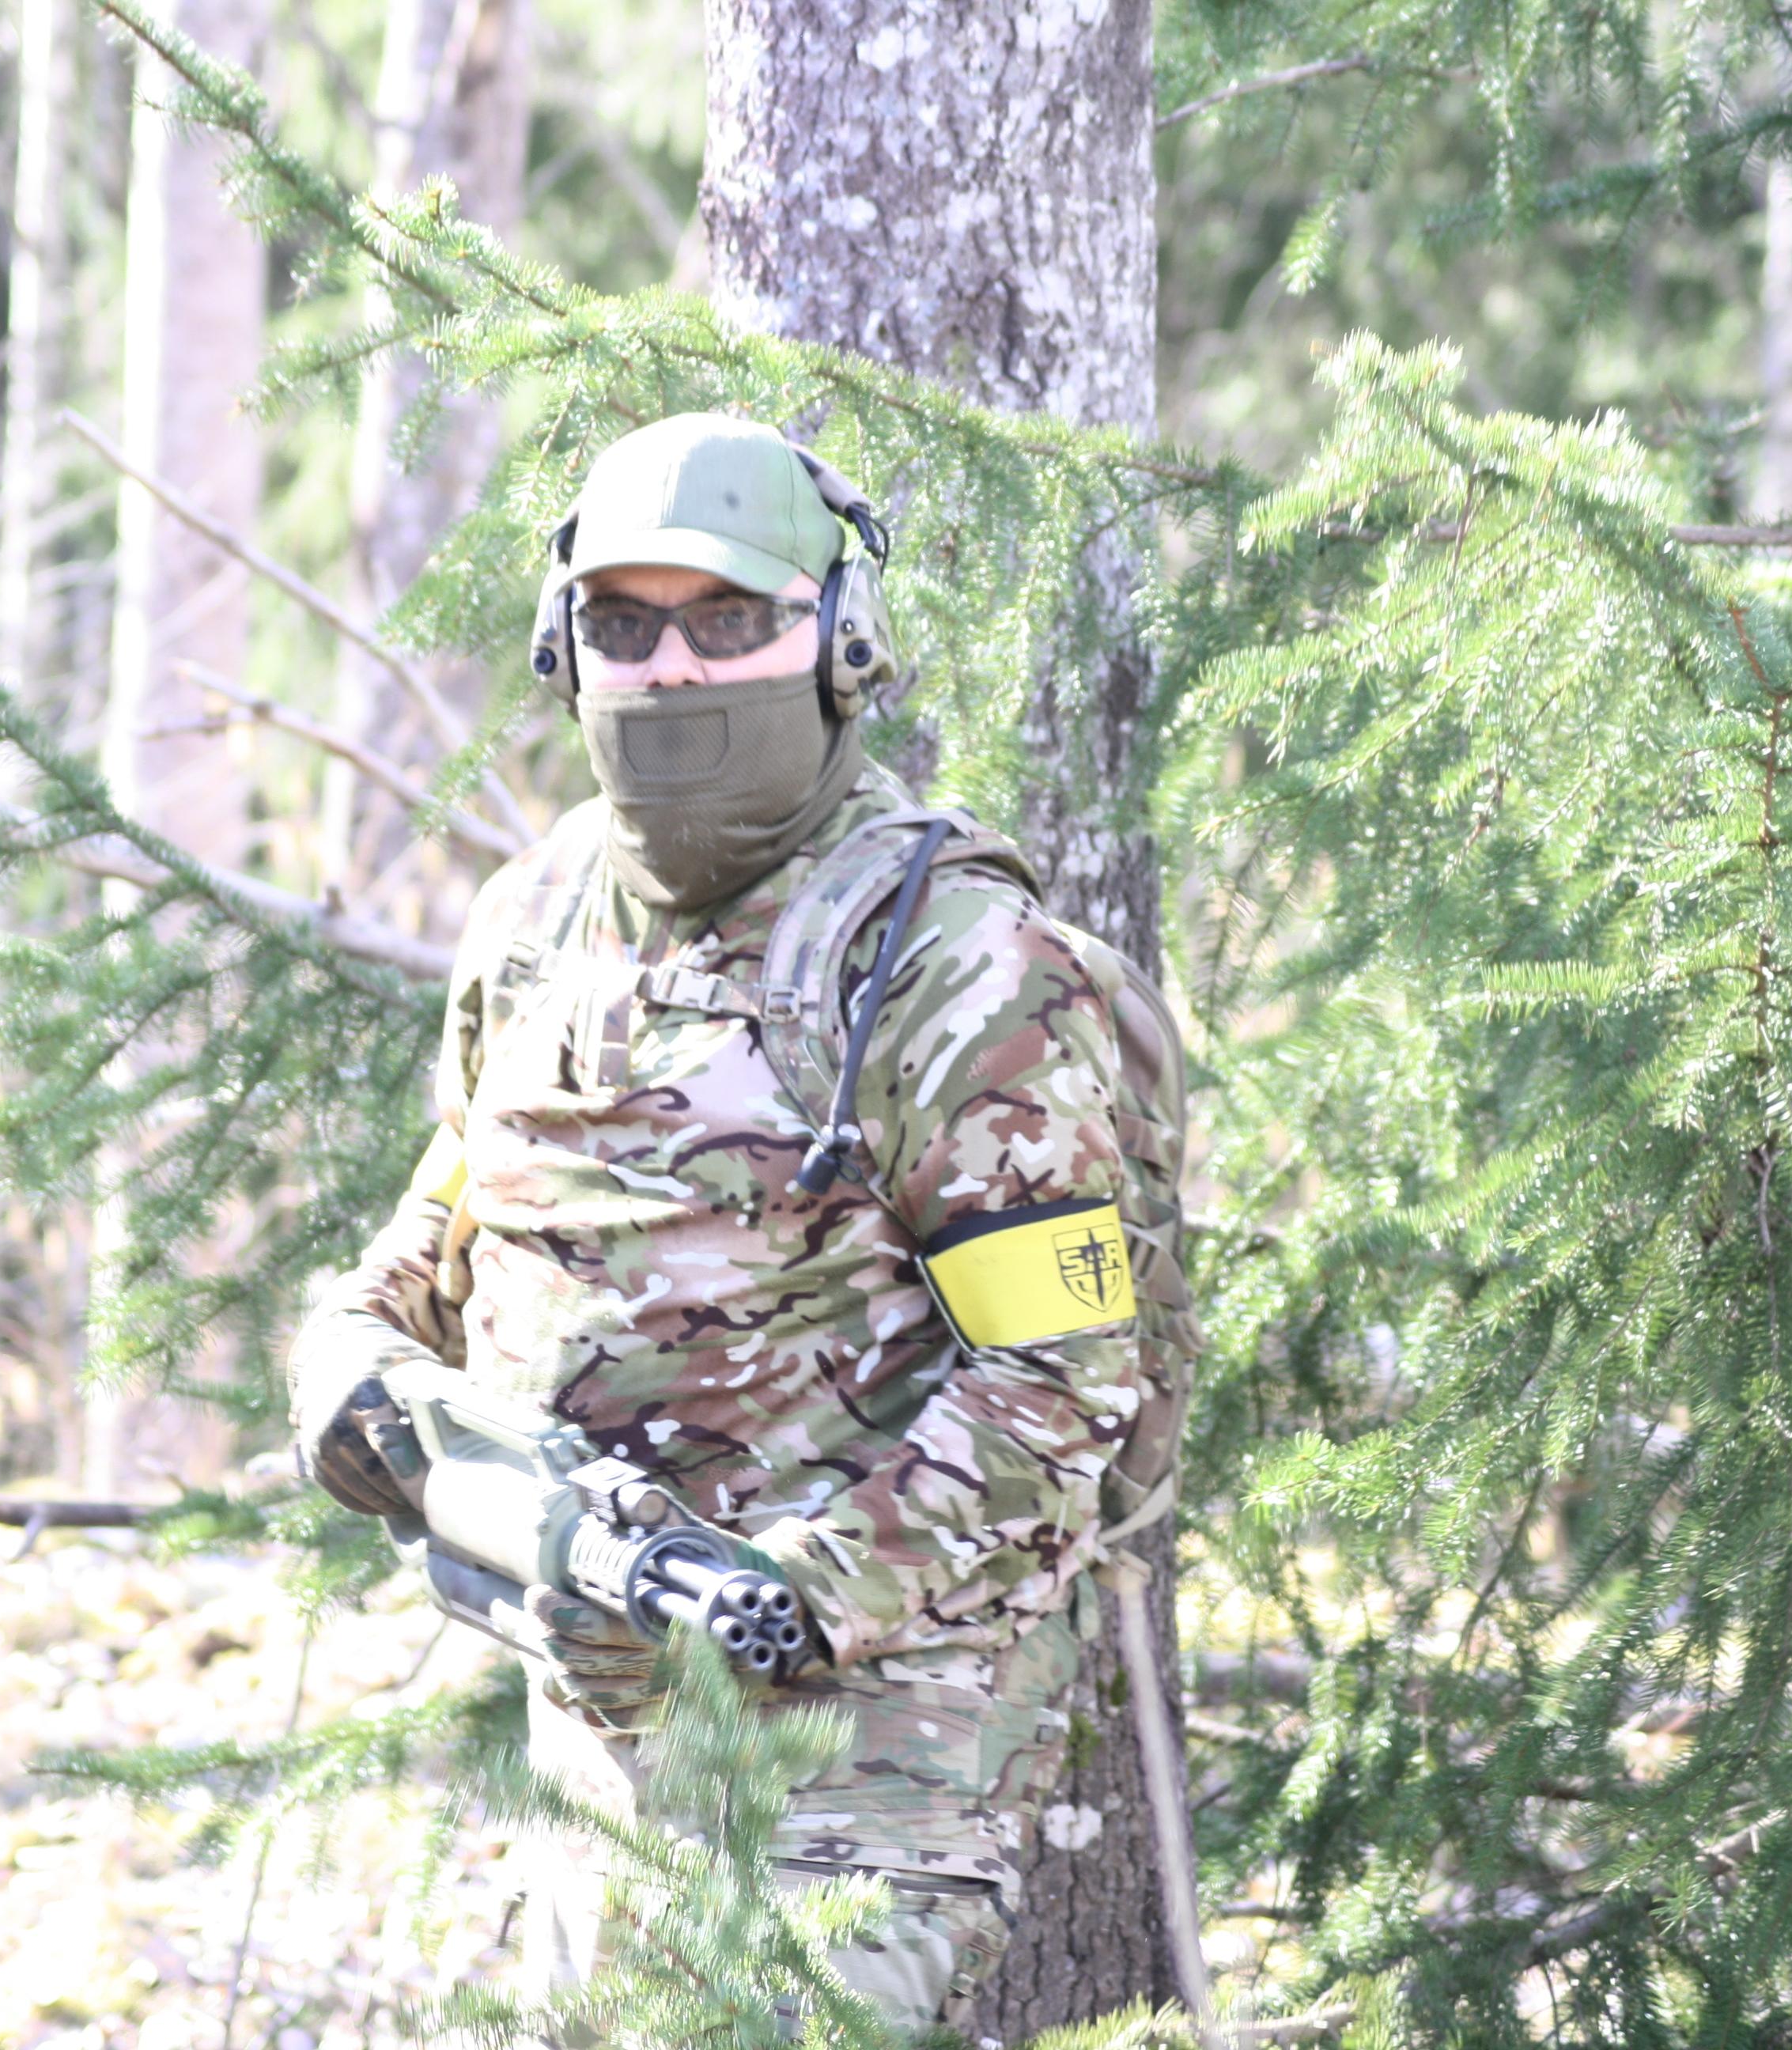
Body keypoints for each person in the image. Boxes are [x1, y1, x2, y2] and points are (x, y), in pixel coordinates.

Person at [287, 411, 1147, 2039]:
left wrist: (793, 1595)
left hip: (866, 1756)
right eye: (625, 626)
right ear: (566, 651)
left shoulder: (955, 961)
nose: (674, 668)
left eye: (731, 619)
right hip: (598, 1742)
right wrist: (349, 1358)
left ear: (840, 642)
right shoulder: (535, 922)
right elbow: (445, 1237)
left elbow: (1062, 1382)